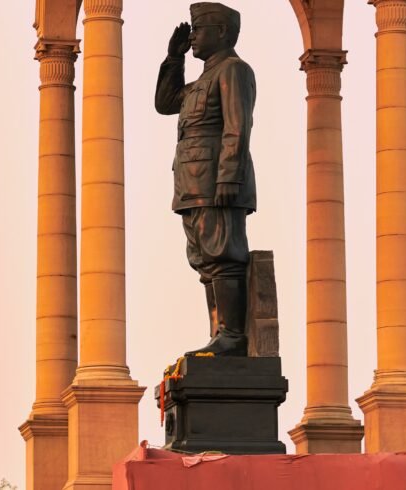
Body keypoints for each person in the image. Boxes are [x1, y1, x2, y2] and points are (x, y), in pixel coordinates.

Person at [155, 2, 256, 356]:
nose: (193, 36)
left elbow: (237, 126)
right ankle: (218, 334)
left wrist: (229, 176)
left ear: (223, 32)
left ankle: (232, 335)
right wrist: (174, 59)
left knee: (224, 254)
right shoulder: (202, 80)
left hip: (217, 183)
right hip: (193, 186)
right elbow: (166, 102)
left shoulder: (233, 70)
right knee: (205, 260)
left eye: (200, 30)